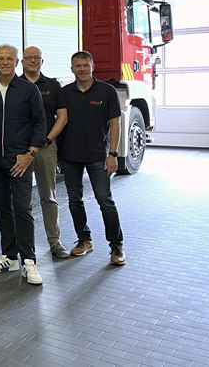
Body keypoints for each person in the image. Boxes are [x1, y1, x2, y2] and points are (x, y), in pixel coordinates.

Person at [0, 44, 46, 286]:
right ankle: (9, 256)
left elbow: (40, 124)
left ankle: (29, 260)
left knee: (22, 209)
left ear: (17, 62)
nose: (5, 62)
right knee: (2, 209)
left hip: (20, 160)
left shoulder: (29, 89)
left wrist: (30, 154)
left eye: (9, 59)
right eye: (0, 59)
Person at [58, 51, 126, 266]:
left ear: (92, 66)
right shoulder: (65, 92)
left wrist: (113, 154)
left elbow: (115, 124)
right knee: (74, 200)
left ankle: (116, 246)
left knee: (105, 200)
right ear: (72, 69)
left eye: (86, 65)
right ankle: (84, 240)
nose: (82, 69)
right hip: (70, 156)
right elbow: (60, 122)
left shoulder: (106, 91)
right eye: (77, 66)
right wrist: (59, 155)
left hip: (98, 156)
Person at [20, 46, 70, 258]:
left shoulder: (52, 85)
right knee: (20, 200)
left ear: (42, 61)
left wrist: (47, 140)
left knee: (48, 196)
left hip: (46, 149)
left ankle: (55, 241)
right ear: (21, 62)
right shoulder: (15, 85)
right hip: (20, 152)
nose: (32, 61)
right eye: (28, 58)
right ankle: (21, 245)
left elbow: (63, 117)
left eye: (36, 58)